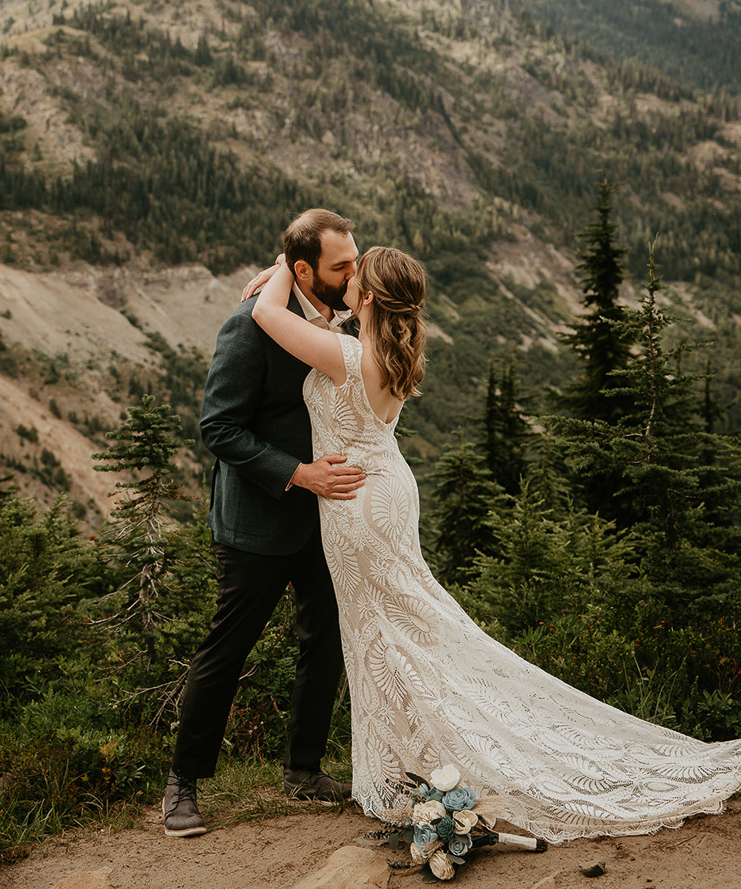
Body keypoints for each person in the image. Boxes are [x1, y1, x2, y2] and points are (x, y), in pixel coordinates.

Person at [251, 244, 741, 842]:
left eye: (356, 276)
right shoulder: (382, 350)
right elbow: (320, 329)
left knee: (383, 633)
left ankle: (423, 764)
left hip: (355, 503)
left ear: (372, 298)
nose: (347, 280)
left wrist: (285, 263)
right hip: (383, 492)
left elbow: (266, 317)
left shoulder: (348, 354)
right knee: (401, 630)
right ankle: (421, 762)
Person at [162, 209, 365, 837]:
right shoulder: (248, 329)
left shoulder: (349, 318)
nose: (353, 274)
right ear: (305, 271)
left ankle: (303, 770)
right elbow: (217, 428)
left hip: (325, 520)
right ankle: (182, 785)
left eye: (354, 261)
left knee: (325, 641)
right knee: (226, 651)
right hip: (257, 518)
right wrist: (297, 473)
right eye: (342, 267)